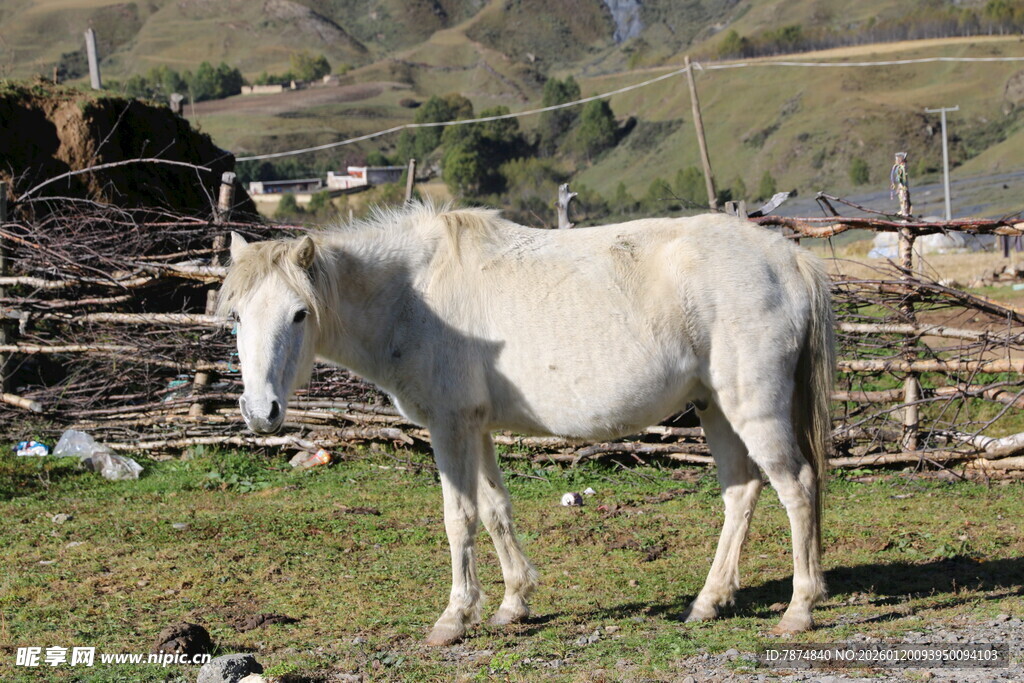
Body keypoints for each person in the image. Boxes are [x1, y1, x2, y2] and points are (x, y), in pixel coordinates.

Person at [890, 152, 912, 218]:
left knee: (904, 199)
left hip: (903, 187)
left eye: (896, 160)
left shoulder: (902, 168)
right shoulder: (900, 167)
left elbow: (902, 179)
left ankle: (905, 212)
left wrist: (899, 186)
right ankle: (903, 211)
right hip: (902, 186)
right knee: (902, 200)